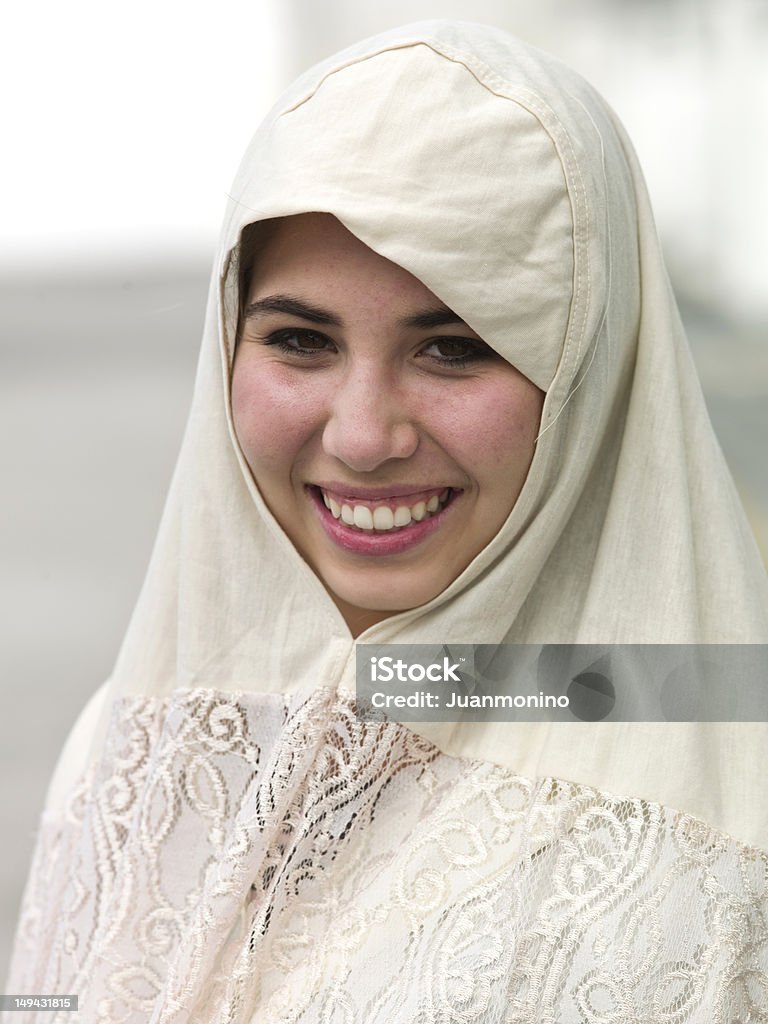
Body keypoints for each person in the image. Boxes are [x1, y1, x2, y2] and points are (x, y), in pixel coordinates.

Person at [6, 19, 767, 1023]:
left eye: (453, 347)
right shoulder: (141, 737)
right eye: (299, 339)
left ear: (594, 370)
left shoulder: (711, 836)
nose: (363, 436)